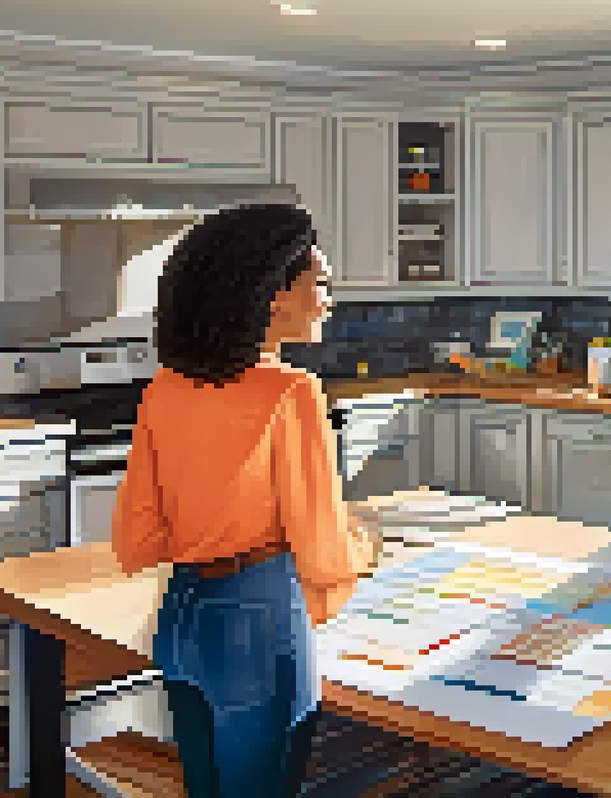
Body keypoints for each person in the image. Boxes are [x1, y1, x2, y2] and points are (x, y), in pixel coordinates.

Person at [112, 203, 380, 798]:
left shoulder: (164, 389)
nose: (327, 301)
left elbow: (140, 527)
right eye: (321, 285)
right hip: (257, 617)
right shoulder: (292, 392)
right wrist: (366, 545)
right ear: (276, 293)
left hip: (182, 615)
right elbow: (321, 549)